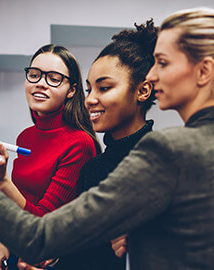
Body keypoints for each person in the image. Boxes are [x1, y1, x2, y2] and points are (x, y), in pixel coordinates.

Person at [0, 7, 214, 270]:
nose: (153, 76)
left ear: (204, 72)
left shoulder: (169, 149)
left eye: (163, 63)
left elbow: (40, 238)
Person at [0, 44, 99, 270]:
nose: (40, 83)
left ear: (72, 90)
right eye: (34, 75)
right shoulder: (25, 137)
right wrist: (5, 238)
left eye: (54, 78)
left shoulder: (80, 143)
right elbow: (21, 200)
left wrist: (1, 181)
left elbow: (43, 221)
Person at [54, 20, 157, 270]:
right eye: (90, 89)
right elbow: (85, 253)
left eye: (105, 87)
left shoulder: (159, 161)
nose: (90, 100)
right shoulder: (95, 168)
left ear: (143, 91)